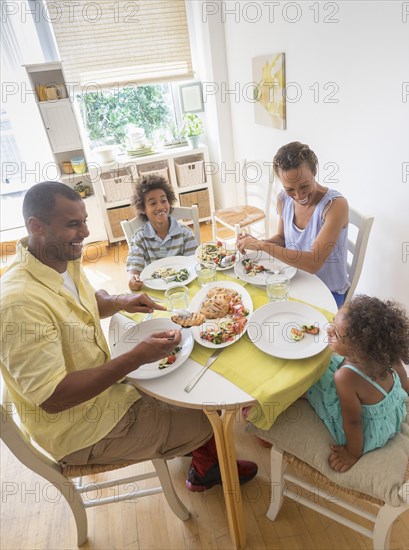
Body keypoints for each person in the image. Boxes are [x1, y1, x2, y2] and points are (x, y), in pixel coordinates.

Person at [0, 181, 257, 492]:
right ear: (36, 226)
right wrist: (136, 358)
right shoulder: (19, 303)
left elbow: (84, 302)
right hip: (83, 427)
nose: (84, 233)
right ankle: (205, 469)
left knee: (199, 386)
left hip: (111, 388)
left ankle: (192, 447)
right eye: (72, 224)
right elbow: (54, 398)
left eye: (83, 221)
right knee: (213, 417)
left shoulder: (59, 259)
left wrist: (118, 301)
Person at [306, 295, 409, 472]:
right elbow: (399, 367)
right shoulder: (383, 351)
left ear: (359, 350)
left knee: (311, 382)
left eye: (336, 334)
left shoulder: (345, 377)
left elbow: (353, 421)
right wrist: (406, 384)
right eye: (333, 321)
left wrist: (352, 453)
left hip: (368, 430)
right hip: (391, 409)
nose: (328, 330)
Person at [236, 142, 350, 307]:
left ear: (314, 172)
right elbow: (282, 239)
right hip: (295, 281)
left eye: (304, 186)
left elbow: (313, 263)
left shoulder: (335, 206)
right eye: (290, 189)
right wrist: (255, 242)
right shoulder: (283, 199)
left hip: (328, 292)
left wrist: (262, 246)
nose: (298, 195)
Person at [127, 175, 198, 291]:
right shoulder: (139, 238)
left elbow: (194, 263)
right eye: (153, 203)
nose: (160, 207)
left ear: (169, 202)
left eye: (163, 201)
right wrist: (132, 278)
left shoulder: (185, 233)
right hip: (155, 290)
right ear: (143, 209)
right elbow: (133, 271)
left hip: (184, 287)